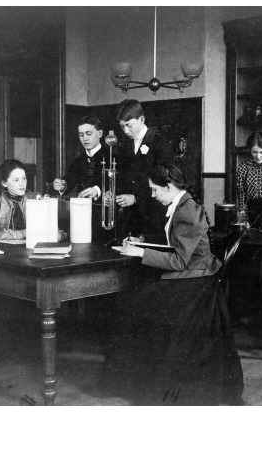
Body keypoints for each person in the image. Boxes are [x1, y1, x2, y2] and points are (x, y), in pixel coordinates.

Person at [101, 163, 244, 405]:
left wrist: (139, 253)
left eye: (155, 190)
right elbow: (176, 241)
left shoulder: (187, 210)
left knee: (137, 303)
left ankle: (142, 382)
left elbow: (178, 261)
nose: (153, 195)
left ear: (168, 187)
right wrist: (144, 240)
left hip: (197, 281)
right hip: (192, 274)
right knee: (136, 298)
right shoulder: (181, 204)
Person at [114, 99, 173, 239]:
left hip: (153, 215)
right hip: (131, 217)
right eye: (122, 127)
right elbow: (124, 176)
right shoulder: (126, 145)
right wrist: (114, 193)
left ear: (141, 119)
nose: (126, 131)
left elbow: (163, 181)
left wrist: (136, 198)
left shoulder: (160, 143)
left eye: (129, 125)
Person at [52, 116, 109, 242]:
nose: (85, 138)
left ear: (99, 133)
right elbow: (69, 180)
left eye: (89, 134)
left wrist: (97, 190)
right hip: (81, 218)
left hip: (105, 220)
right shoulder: (78, 161)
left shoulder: (111, 157)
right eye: (81, 134)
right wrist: (62, 185)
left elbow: (118, 184)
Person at [0, 159, 66, 241]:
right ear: (4, 182)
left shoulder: (34, 200)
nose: (21, 183)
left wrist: (57, 235)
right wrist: (22, 234)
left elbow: (60, 233)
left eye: (24, 178)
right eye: (16, 180)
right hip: (3, 251)